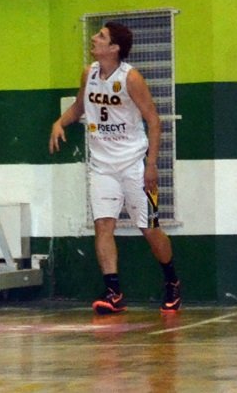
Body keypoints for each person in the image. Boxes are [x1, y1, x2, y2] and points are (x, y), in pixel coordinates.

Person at [49, 22, 182, 314]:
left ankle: (172, 281)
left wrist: (151, 165)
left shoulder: (131, 78)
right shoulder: (89, 73)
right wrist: (60, 122)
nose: (94, 38)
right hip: (102, 166)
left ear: (115, 48)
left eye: (101, 36)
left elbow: (154, 120)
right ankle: (114, 292)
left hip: (135, 164)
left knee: (150, 227)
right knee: (103, 225)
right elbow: (79, 107)